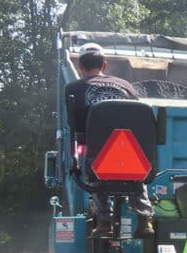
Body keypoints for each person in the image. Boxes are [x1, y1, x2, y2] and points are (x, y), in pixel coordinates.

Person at [64, 42, 154, 238]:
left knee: (97, 172)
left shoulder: (73, 88)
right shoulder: (126, 86)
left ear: (80, 66)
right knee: (136, 175)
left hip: (99, 156)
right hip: (131, 155)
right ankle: (145, 219)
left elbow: (76, 126)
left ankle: (105, 222)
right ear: (104, 65)